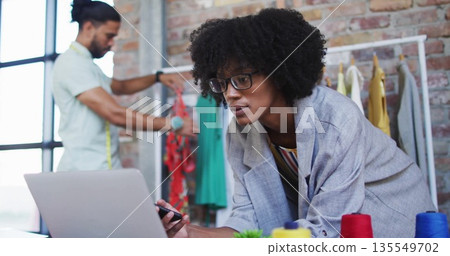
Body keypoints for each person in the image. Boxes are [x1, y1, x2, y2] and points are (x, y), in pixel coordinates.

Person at [157, 8, 436, 238]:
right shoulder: (240, 132)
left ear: (279, 73)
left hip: (398, 224)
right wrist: (187, 233)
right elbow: (248, 221)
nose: (230, 93)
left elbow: (329, 229)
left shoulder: (335, 119)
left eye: (242, 79)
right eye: (221, 83)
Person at [52, 0, 195, 171]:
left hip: (104, 168)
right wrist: (173, 124)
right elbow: (115, 114)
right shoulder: (72, 64)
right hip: (82, 171)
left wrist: (157, 77)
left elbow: (119, 87)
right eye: (109, 36)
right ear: (89, 28)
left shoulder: (87, 66)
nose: (112, 43)